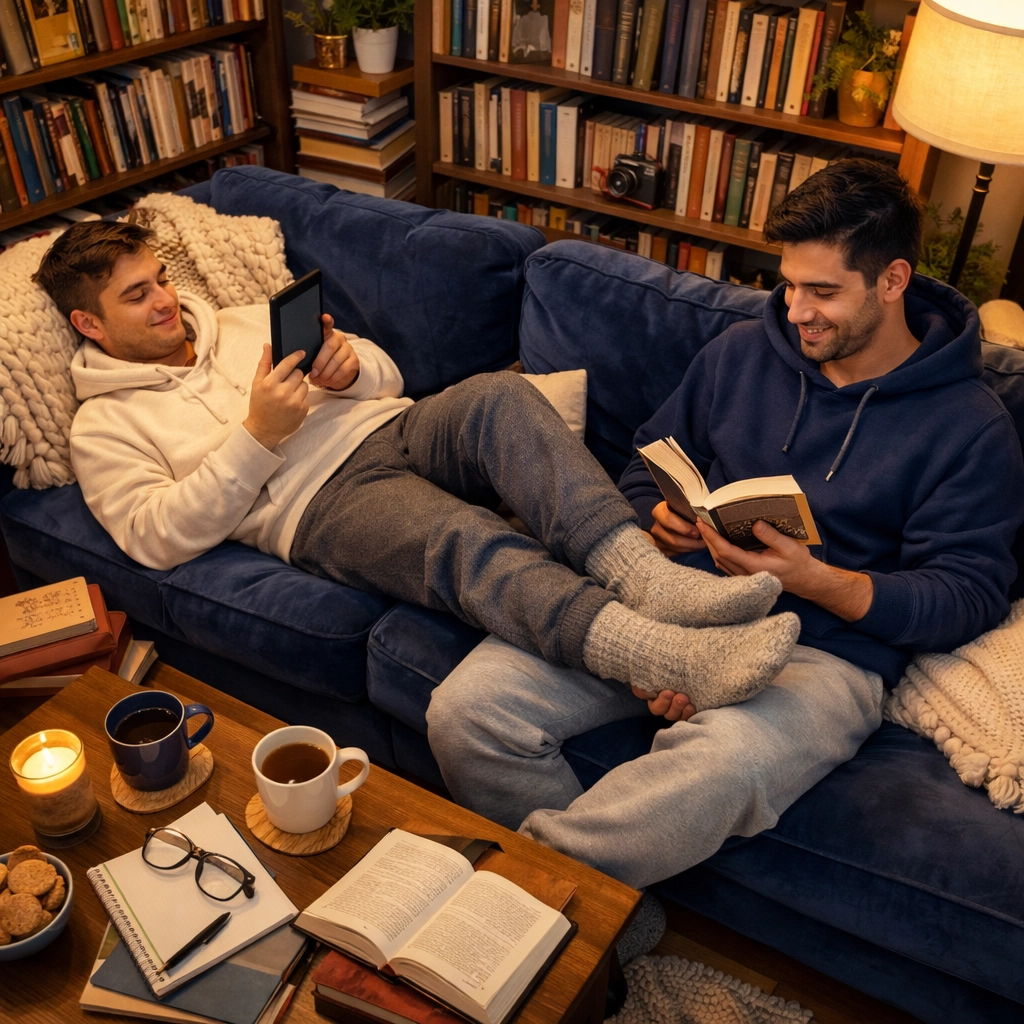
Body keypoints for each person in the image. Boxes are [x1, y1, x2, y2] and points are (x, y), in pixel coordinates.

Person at [427, 158, 1024, 891]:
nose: (797, 311)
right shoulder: (743, 352)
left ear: (893, 281)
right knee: (468, 712)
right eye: (790, 284)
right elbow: (647, 462)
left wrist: (817, 580)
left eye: (824, 292)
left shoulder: (969, 427)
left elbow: (965, 598)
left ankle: (526, 908)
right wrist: (659, 516)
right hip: (672, 603)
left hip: (825, 652)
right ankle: (589, 923)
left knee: (724, 767)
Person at [35, 220, 800, 713]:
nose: (166, 301)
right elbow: (158, 538)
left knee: (500, 397)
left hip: (394, 427)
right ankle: (668, 654)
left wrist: (347, 369)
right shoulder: (104, 426)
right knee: (464, 540)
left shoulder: (239, 321)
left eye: (162, 279)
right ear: (87, 323)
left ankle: (653, 582)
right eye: (138, 297)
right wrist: (256, 436)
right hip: (320, 505)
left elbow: (387, 377)